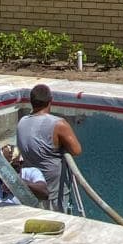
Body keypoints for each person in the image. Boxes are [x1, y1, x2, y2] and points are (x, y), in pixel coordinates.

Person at [16, 83, 82, 213]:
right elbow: (76, 150)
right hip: (54, 194)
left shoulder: (22, 122)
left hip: (31, 192)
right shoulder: (58, 124)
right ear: (50, 101)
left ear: (31, 102)